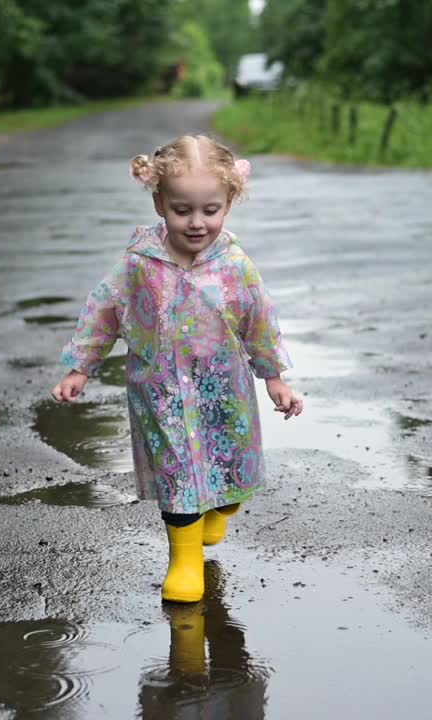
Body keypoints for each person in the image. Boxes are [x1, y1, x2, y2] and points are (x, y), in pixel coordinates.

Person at [51, 134, 303, 603]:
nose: (196, 222)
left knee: (229, 479)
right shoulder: (139, 265)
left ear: (228, 203)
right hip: (161, 390)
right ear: (158, 202)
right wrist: (80, 367)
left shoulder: (234, 265)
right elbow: (104, 310)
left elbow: (260, 320)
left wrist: (274, 378)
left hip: (223, 389)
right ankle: (184, 562)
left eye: (210, 210)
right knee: (179, 478)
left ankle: (222, 507)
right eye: (182, 209)